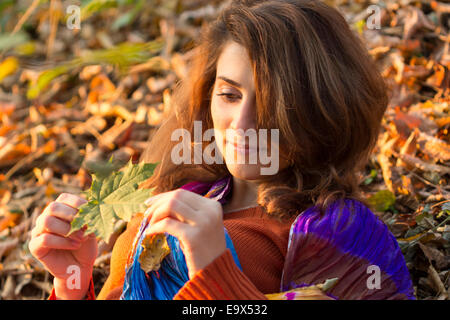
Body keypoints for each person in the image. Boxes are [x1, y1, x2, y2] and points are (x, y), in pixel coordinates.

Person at [29, 0, 415, 300]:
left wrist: (216, 270)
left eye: (269, 103)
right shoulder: (182, 194)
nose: (242, 123)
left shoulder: (339, 232)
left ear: (321, 109)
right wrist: (72, 281)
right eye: (229, 94)